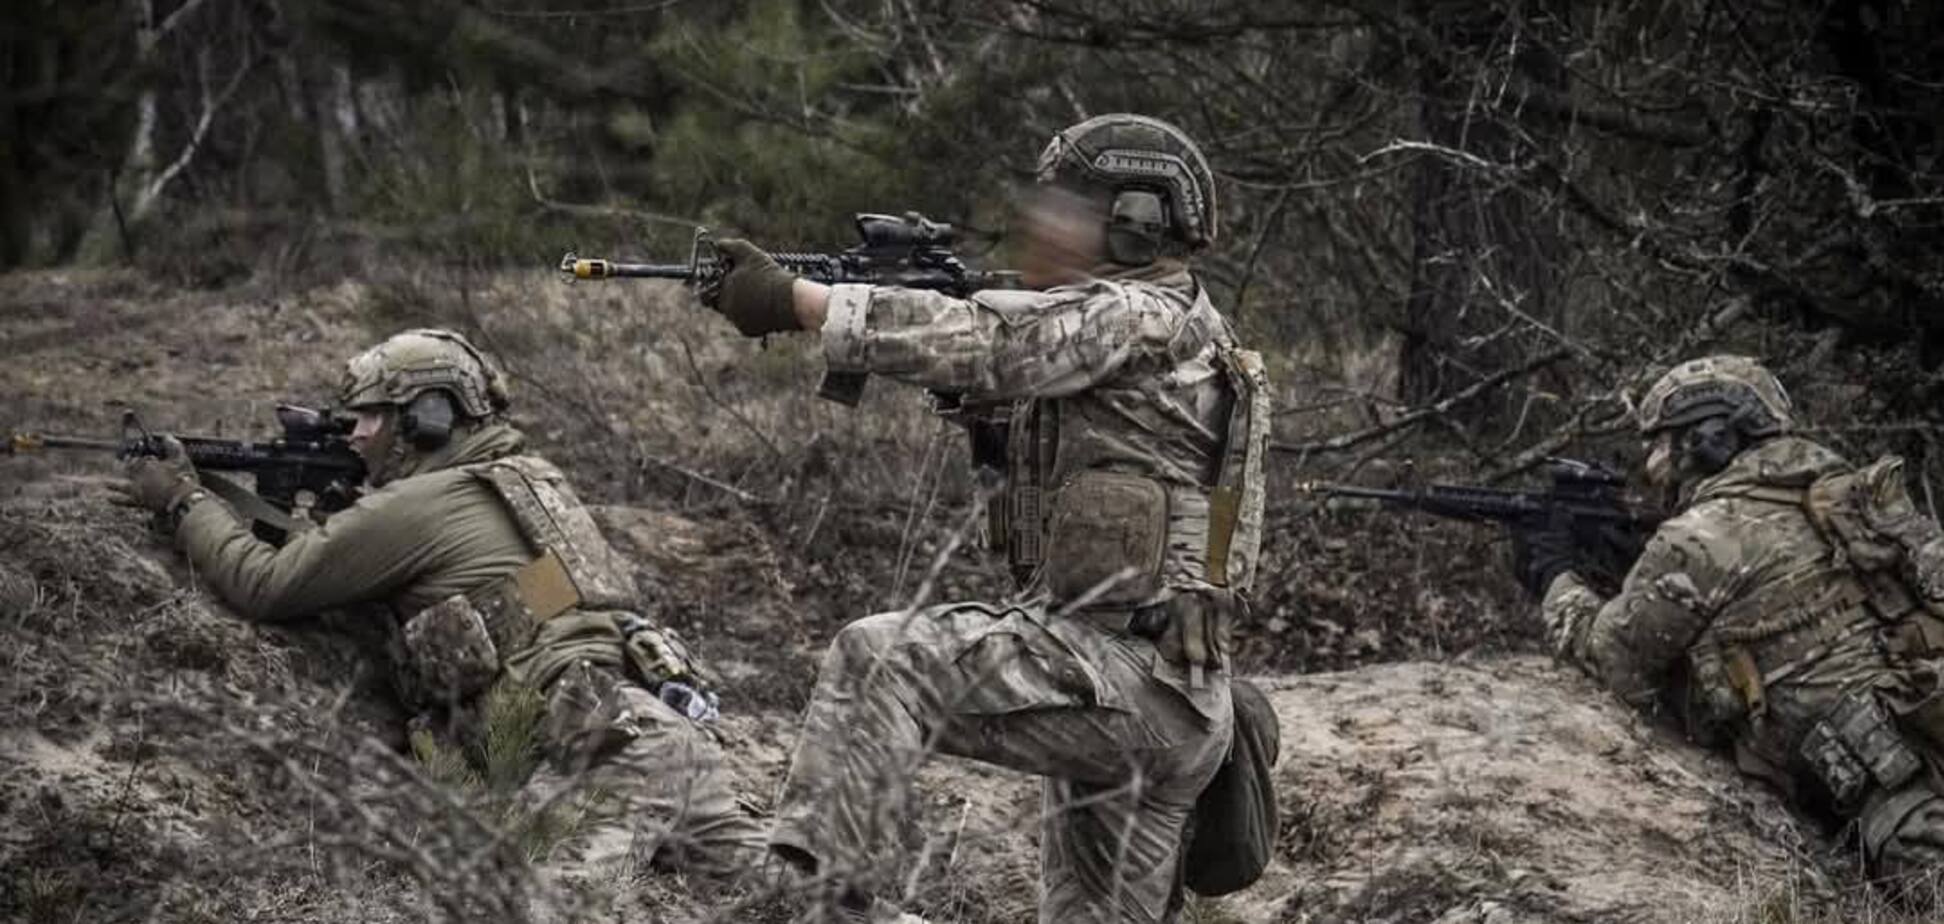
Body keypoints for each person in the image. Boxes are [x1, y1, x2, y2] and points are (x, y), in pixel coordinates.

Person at [700, 114, 1272, 924]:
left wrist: (798, 301)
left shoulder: (1138, 314)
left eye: (1073, 207)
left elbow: (998, 346)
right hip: (1158, 700)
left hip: (1126, 679)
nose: (1049, 225)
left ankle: (817, 900)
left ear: (1137, 218)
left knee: (878, 659)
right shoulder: (1178, 325)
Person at [110, 328, 766, 883]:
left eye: (370, 416)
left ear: (427, 417)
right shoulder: (528, 484)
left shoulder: (419, 504)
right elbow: (518, 619)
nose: (355, 433)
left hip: (606, 754)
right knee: (779, 898)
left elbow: (264, 585)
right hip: (664, 739)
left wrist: (184, 500)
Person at [1517, 354, 1944, 894]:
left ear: (1709, 438)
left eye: (1661, 442)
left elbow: (1614, 662)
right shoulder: (1845, 492)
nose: (1651, 462)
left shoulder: (1703, 535)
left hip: (1905, 803)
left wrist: (1554, 575)